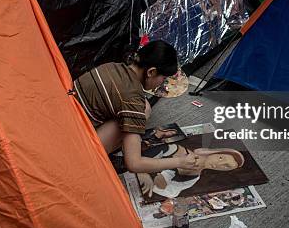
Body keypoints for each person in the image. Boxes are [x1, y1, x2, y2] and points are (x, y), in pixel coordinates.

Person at [73, 41, 200, 174]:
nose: (162, 83)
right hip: (76, 145)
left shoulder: (112, 66)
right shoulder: (132, 101)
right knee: (138, 113)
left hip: (66, 116)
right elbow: (134, 164)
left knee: (144, 108)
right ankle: (94, 158)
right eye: (163, 78)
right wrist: (180, 162)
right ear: (151, 72)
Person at [137, 143, 245, 198]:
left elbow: (167, 190)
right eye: (221, 158)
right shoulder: (178, 150)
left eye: (226, 167)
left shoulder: (193, 178)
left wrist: (157, 176)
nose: (219, 164)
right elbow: (141, 156)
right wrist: (143, 171)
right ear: (215, 152)